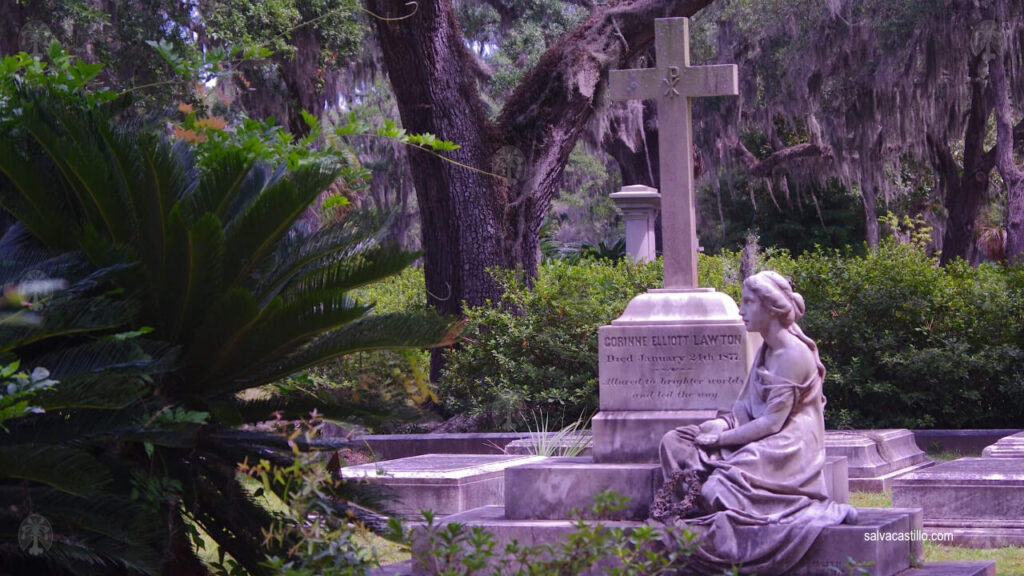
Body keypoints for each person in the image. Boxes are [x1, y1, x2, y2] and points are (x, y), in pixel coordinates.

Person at [656, 271, 856, 575]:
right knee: (675, 441)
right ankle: (699, 494)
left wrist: (722, 440)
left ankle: (709, 492)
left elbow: (772, 424)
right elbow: (746, 406)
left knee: (718, 489)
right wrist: (723, 425)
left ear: (770, 308)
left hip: (789, 442)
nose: (741, 310)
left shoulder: (792, 354)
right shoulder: (766, 348)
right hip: (757, 431)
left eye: (748, 302)